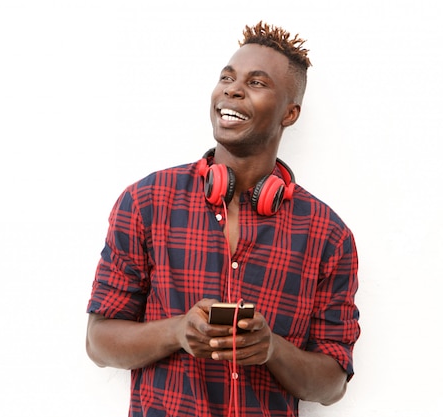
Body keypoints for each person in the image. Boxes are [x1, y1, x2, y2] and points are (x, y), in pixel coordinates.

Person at [86, 21, 360, 417]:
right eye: (227, 77)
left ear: (291, 112)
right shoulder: (146, 201)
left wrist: (271, 350)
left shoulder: (328, 235)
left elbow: (333, 383)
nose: (232, 89)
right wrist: (177, 331)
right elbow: (98, 342)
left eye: (257, 82)